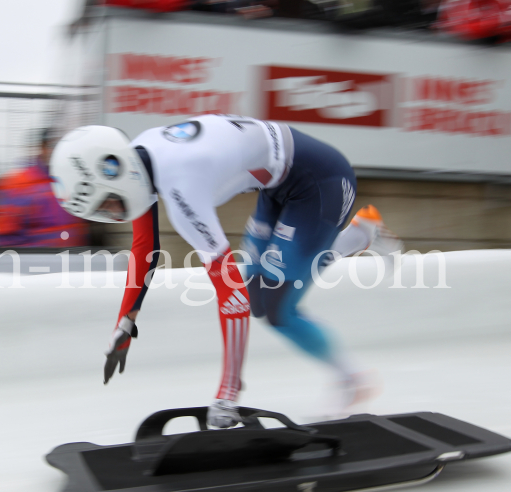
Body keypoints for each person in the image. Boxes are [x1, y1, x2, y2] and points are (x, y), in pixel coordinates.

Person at [49, 115, 399, 427]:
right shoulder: (137, 157)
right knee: (259, 294)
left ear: (115, 171)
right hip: (282, 181)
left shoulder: (181, 190)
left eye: (108, 203)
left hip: (320, 182)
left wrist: (227, 394)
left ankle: (353, 379)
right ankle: (360, 233)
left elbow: (231, 298)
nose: (113, 214)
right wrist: (125, 323)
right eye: (103, 211)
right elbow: (145, 250)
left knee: (278, 310)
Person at [0, 128, 88, 248]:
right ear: (42, 147)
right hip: (32, 262)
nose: (58, 151)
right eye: (53, 145)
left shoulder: (74, 183)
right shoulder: (15, 185)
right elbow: (2, 237)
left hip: (71, 260)